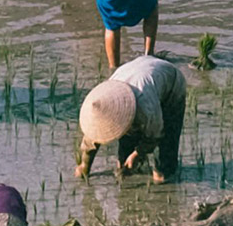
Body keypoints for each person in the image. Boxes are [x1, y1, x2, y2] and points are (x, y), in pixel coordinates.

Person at [76, 53, 187, 181]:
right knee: (123, 167)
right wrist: (84, 166)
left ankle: (166, 172)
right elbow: (91, 141)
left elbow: (157, 134)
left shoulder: (146, 107)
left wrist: (138, 153)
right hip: (137, 72)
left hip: (171, 85)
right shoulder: (102, 104)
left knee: (161, 174)